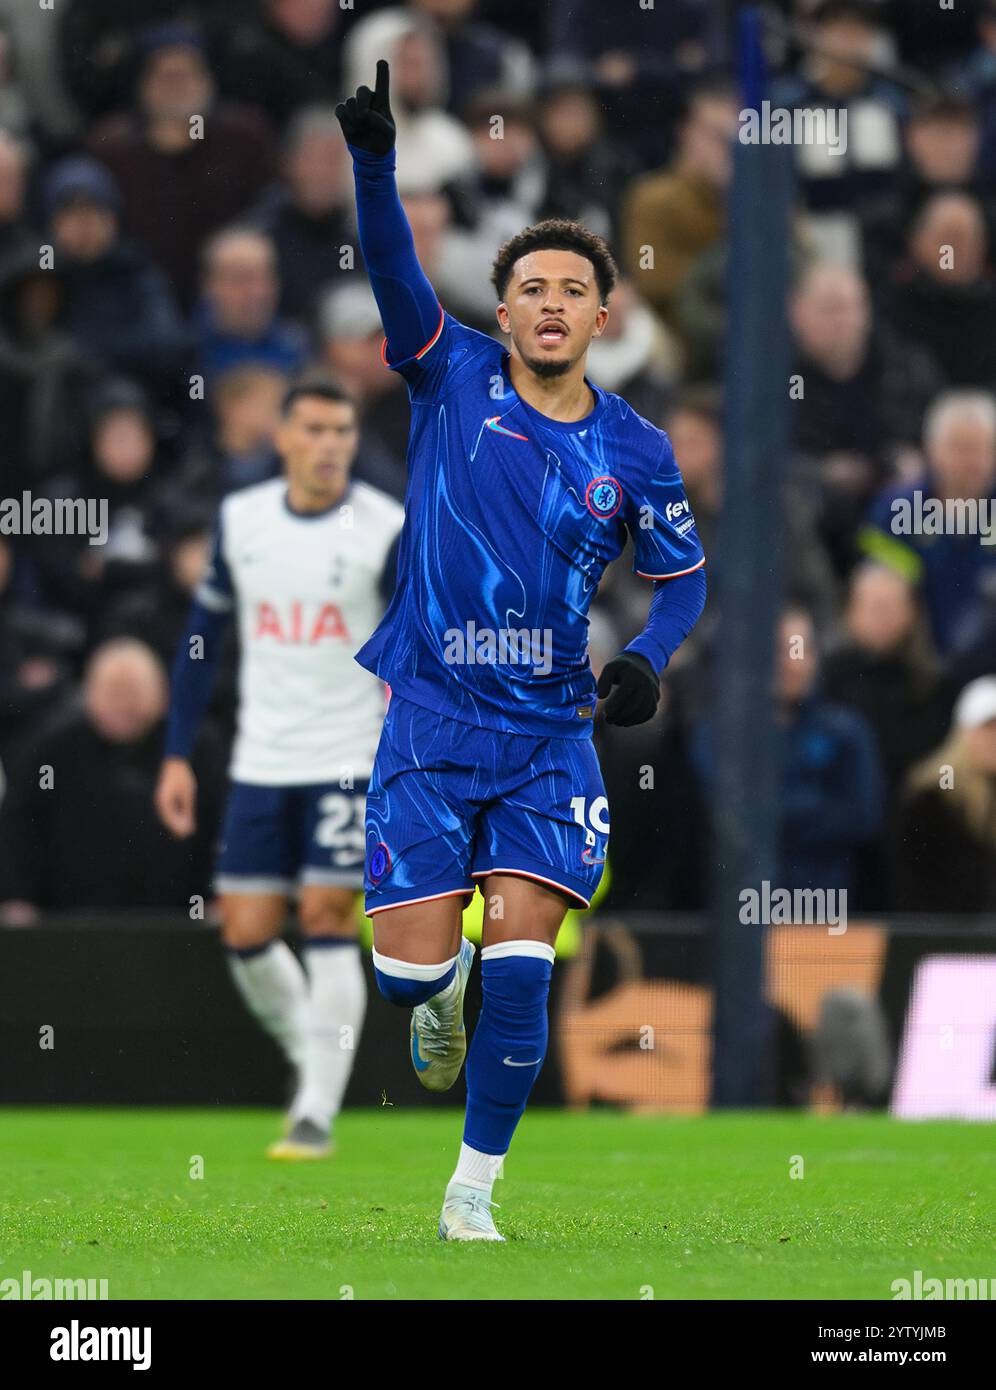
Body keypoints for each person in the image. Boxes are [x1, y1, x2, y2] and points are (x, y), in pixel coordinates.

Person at [335, 62, 706, 1240]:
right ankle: (426, 987)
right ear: (503, 313)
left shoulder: (638, 448)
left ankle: (471, 1195)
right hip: (432, 719)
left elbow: (685, 582)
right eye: (530, 288)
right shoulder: (448, 378)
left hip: (551, 732)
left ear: (603, 316)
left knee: (525, 967)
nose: (549, 304)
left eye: (572, 290)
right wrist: (375, 164)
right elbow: (395, 268)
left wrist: (648, 656)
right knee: (410, 977)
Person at [155, 380, 404, 1160]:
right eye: (316, 429)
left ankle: (316, 1114)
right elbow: (203, 639)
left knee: (328, 918)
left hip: (347, 757)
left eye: (343, 430)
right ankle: (314, 1061)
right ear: (284, 437)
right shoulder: (242, 520)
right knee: (246, 930)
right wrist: (176, 752)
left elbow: (409, 646)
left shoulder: (385, 527)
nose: (331, 444)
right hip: (262, 758)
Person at [893, 676, 996, 914]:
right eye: (986, 729)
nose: (993, 739)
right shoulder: (930, 799)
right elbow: (916, 884)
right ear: (963, 734)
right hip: (946, 937)